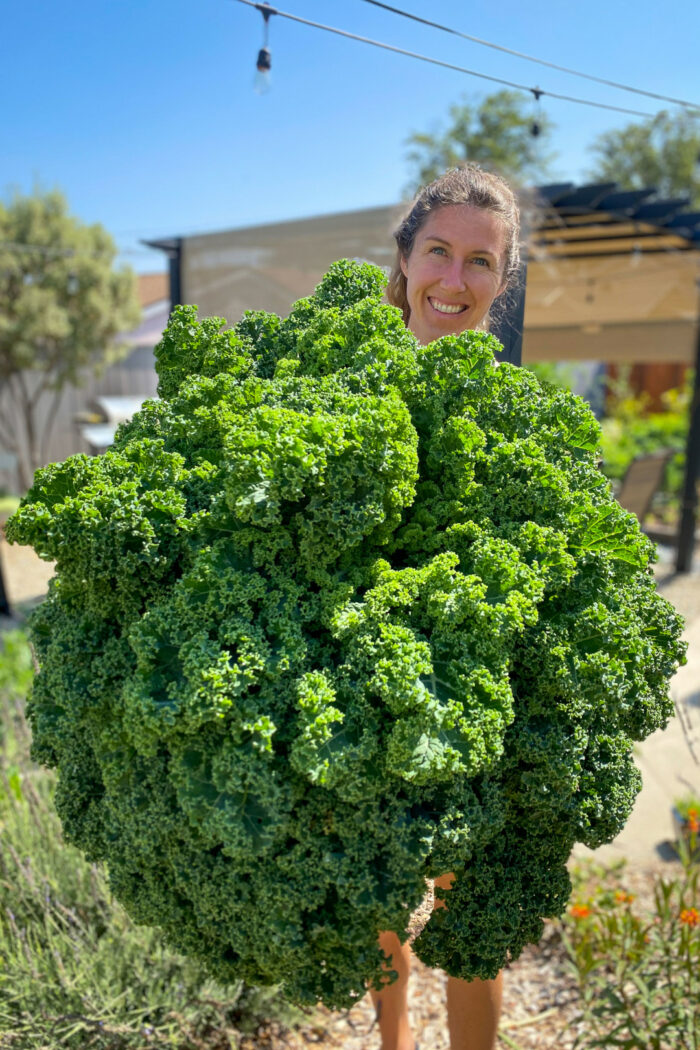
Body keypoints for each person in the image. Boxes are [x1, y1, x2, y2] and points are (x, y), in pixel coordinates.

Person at [371, 164, 522, 1050]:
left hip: (472, 711)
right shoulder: (333, 392)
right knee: (376, 901)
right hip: (356, 699)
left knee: (472, 925)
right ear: (404, 258)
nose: (454, 281)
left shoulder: (514, 423)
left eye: (480, 262)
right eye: (438, 251)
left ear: (500, 285)